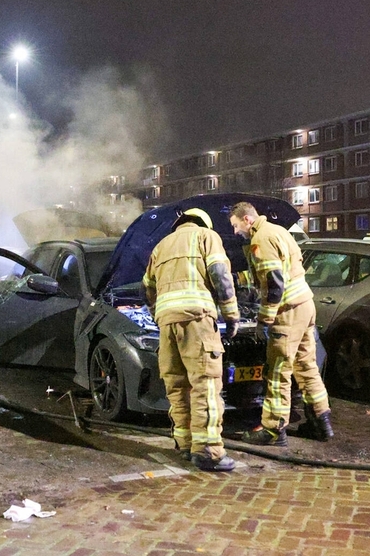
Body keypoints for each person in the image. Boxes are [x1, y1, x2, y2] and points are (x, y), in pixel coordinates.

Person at [142, 207, 241, 472]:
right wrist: (231, 315)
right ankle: (208, 451)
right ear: (202, 222)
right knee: (205, 384)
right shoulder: (206, 237)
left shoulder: (161, 246)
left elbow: (147, 288)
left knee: (177, 385)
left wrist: (159, 315)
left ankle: (185, 444)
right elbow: (220, 275)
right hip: (197, 320)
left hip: (167, 323)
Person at [228, 202, 334, 445]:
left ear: (247, 219)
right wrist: (238, 278)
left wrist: (264, 320)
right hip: (305, 305)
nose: (235, 232)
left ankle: (273, 430)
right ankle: (321, 423)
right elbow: (276, 270)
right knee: (306, 367)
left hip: (287, 311)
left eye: (235, 226)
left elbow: (274, 283)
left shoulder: (261, 239)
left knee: (277, 371)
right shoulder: (278, 231)